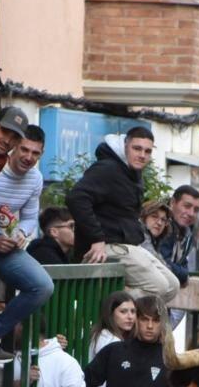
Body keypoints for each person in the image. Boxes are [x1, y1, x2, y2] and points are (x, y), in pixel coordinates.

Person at [66, 127, 180, 302]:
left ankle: (126, 316)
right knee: (159, 287)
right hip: (105, 247)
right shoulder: (107, 168)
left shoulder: (132, 172)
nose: (142, 155)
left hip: (127, 245)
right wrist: (96, 239)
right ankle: (107, 305)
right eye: (137, 148)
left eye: (147, 151)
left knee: (172, 286)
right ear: (125, 145)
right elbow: (76, 198)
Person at [0, 124, 54, 353]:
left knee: (43, 286)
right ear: (14, 147)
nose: (28, 157)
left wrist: (22, 234)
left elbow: (31, 217)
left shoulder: (35, 179)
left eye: (35, 153)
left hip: (7, 246)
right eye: (24, 149)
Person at [157, 185, 199, 287]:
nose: (191, 213)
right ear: (173, 203)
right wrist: (184, 275)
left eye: (196, 210)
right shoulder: (161, 226)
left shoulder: (186, 232)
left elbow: (182, 262)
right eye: (187, 206)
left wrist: (182, 273)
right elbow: (162, 264)